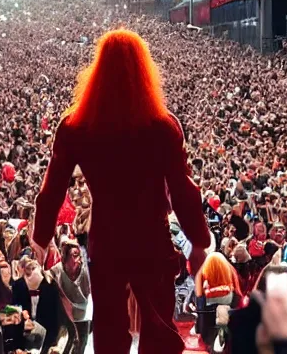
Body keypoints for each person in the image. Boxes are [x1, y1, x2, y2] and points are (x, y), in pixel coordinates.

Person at [33, 29, 210, 354]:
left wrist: (41, 236)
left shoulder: (75, 126)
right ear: (144, 71)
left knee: (109, 331)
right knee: (159, 331)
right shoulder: (163, 126)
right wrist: (199, 240)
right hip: (152, 239)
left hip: (107, 241)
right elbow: (184, 188)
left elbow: (53, 184)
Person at [50, 241, 90, 354]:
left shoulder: (85, 271)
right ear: (65, 256)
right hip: (66, 312)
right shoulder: (57, 270)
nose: (79, 259)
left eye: (79, 255)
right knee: (68, 339)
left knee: (82, 342)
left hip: (83, 311)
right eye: (75, 255)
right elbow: (47, 277)